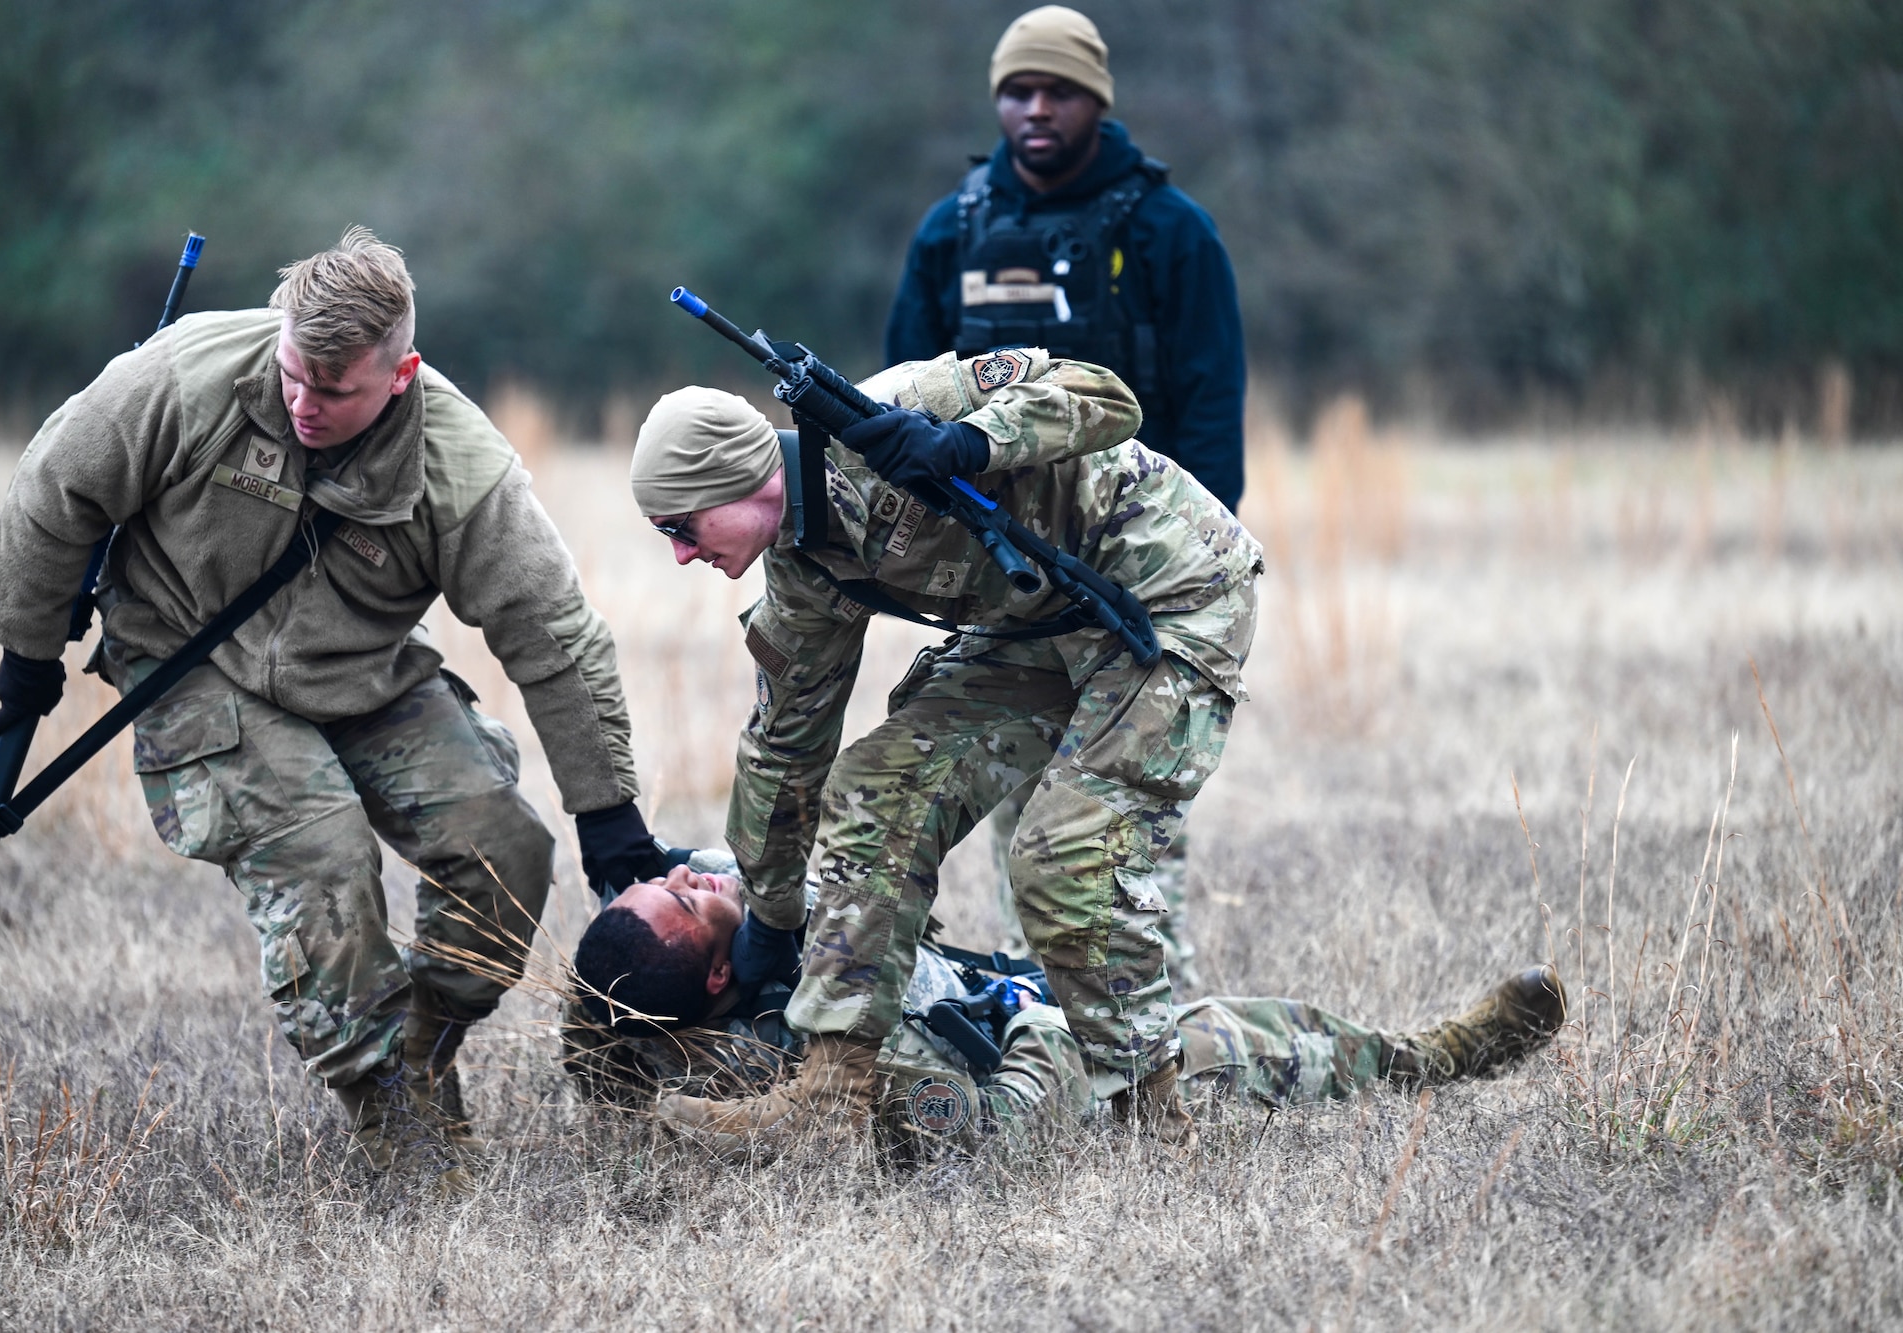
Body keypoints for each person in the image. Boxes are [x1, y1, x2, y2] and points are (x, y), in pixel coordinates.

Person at [0, 227, 674, 1188]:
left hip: (361, 673)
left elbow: (553, 637)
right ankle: (403, 1130)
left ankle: (411, 1057)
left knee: (507, 849)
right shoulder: (187, 377)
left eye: (335, 389)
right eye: (294, 374)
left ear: (401, 374)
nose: (304, 403)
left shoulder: (461, 466)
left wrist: (610, 814)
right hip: (187, 657)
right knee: (321, 853)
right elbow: (53, 489)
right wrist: (26, 657)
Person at [628, 342, 1259, 1147]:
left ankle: (1157, 1119)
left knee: (1061, 859)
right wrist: (771, 918)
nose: (681, 553)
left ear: (740, 483)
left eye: (682, 527)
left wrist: (971, 441)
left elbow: (1106, 396)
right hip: (1046, 625)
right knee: (876, 785)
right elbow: (783, 749)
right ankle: (829, 1099)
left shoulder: (901, 410)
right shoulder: (803, 574)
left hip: (1172, 593)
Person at [884, 6, 1250, 990]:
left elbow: (1211, 406)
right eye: (1016, 91)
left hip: (1134, 570)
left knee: (1122, 820)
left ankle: (1150, 1024)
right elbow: (900, 404)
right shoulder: (950, 231)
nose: (1034, 110)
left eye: (1056, 91)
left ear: (1097, 99)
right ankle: (1045, 1015)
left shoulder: (1170, 233)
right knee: (1019, 816)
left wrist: (1187, 562)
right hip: (999, 577)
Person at [562, 852, 1567, 1155]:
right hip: (1071, 1080)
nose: (699, 874)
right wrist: (1038, 1026)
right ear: (711, 979)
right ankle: (1440, 1057)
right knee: (1254, 1036)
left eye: (674, 876)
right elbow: (997, 1137)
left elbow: (603, 1016)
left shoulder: (701, 982)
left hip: (1002, 993)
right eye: (690, 898)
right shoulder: (826, 1039)